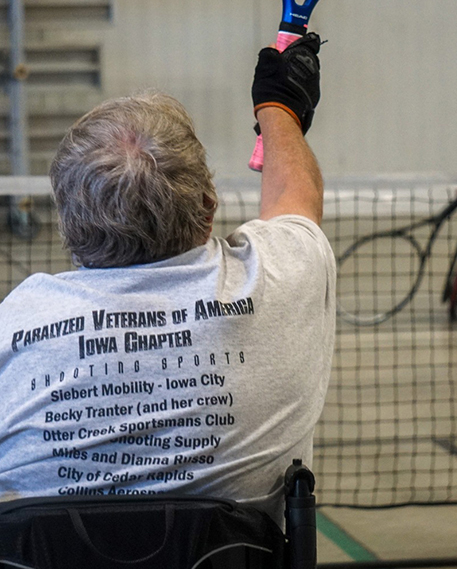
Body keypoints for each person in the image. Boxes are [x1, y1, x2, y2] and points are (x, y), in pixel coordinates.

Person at [0, 34, 335, 529]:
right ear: (207, 208)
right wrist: (278, 106)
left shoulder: (12, 327)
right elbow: (295, 197)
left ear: (69, 227)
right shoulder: (283, 279)